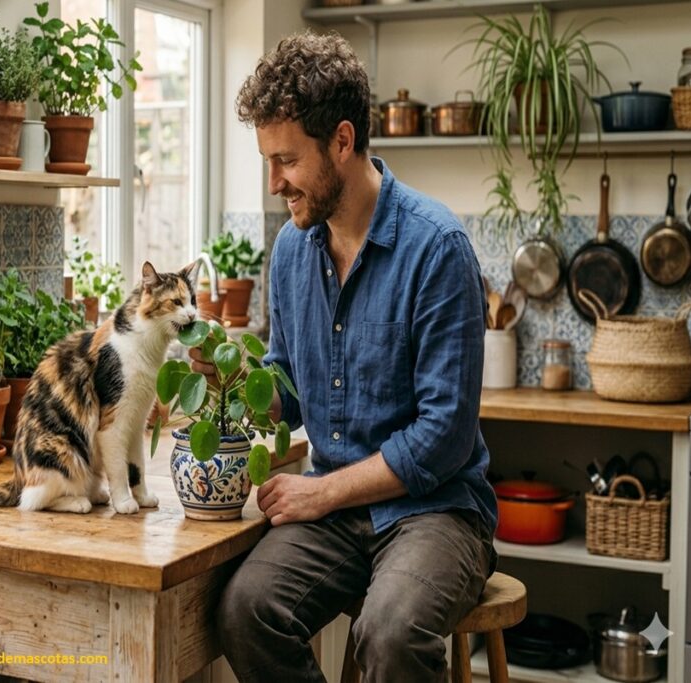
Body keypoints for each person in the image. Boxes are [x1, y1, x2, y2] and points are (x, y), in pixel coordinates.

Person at [192, 32, 498, 682]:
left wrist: (322, 490)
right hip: (334, 516)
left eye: (287, 161)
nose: (275, 183)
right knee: (245, 609)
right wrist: (237, 377)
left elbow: (443, 438)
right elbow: (291, 393)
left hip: (435, 510)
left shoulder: (437, 247)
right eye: (267, 162)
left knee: (389, 632)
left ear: (342, 141)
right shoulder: (290, 252)